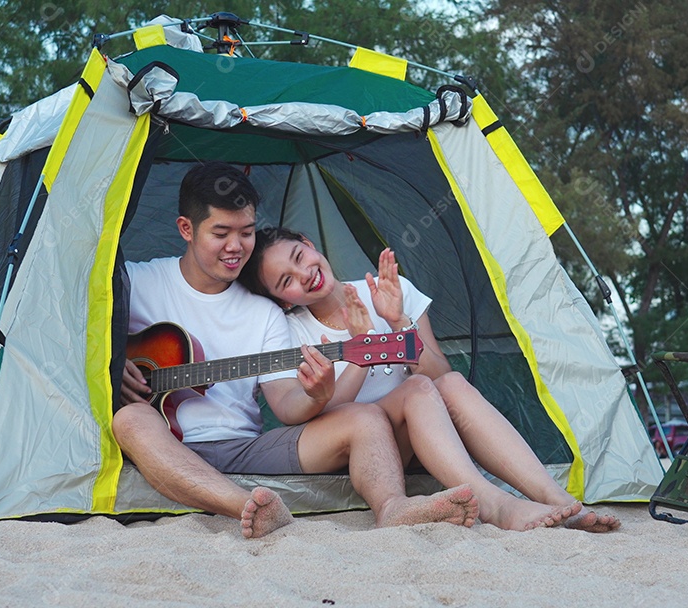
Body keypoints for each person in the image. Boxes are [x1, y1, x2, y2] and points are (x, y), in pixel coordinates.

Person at [113, 162, 479, 539]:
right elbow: (71, 324)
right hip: (165, 440)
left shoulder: (266, 313)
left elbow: (286, 404)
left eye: (246, 232)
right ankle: (246, 506)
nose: (235, 247)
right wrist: (114, 359)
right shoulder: (136, 281)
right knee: (130, 420)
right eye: (221, 233)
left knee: (364, 416)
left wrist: (314, 396)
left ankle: (392, 507)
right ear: (186, 229)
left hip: (246, 447)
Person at [239, 227, 620, 533]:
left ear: (308, 243)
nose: (304, 274)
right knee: (417, 388)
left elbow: (441, 373)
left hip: (415, 434)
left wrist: (397, 324)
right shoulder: (291, 330)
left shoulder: (391, 292)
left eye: (299, 257)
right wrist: (360, 349)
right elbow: (329, 416)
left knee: (445, 385)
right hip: (363, 453)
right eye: (286, 281)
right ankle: (495, 504)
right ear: (284, 300)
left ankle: (558, 500)